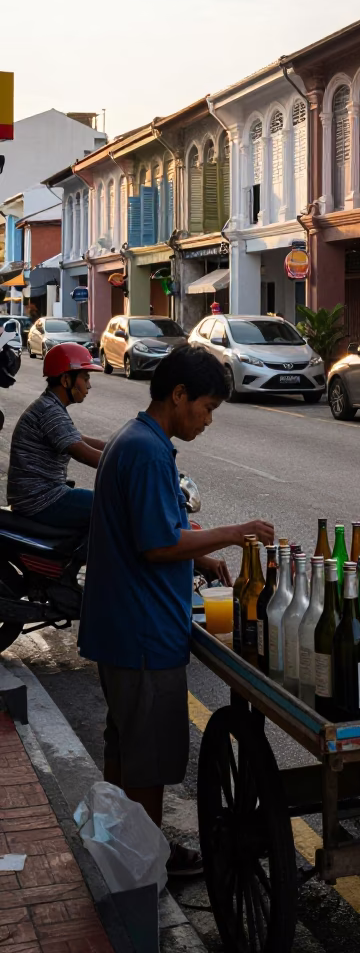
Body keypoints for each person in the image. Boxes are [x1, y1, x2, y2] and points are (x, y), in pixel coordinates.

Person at [78, 344, 273, 877]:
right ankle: (143, 869)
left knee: (127, 749)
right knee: (147, 761)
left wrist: (204, 555)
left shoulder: (140, 439)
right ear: (179, 395)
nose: (207, 420)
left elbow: (158, 532)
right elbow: (157, 545)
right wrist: (234, 534)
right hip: (141, 636)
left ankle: (126, 851)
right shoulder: (145, 451)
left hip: (127, 628)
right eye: (206, 407)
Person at [6, 343, 105, 546]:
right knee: (112, 506)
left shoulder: (51, 407)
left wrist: (123, 446)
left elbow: (80, 438)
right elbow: (82, 452)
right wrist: (131, 464)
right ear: (66, 379)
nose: (89, 385)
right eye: (85, 378)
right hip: (41, 500)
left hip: (39, 496)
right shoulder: (50, 412)